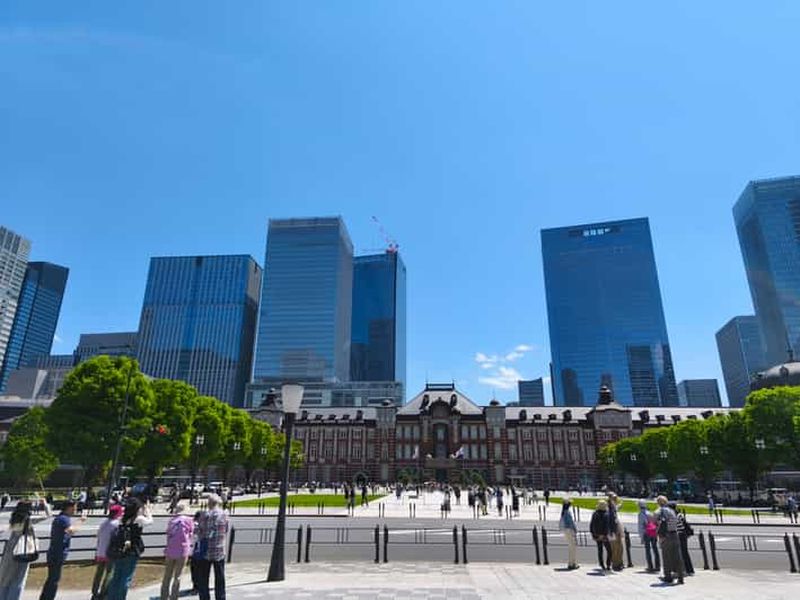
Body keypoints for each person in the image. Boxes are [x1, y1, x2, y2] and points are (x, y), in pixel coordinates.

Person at [0, 499, 51, 600]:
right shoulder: (28, 520)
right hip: (23, 548)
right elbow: (48, 515)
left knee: (5, 577)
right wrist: (44, 504)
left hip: (10, 548)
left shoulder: (13, 518)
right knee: (19, 578)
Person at [106, 498, 154, 600]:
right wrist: (148, 510)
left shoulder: (123, 519)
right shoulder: (138, 519)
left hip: (120, 551)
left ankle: (111, 597)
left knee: (116, 576)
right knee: (125, 578)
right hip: (132, 551)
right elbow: (150, 521)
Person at [40, 500, 85, 600]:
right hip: (57, 553)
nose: (76, 510)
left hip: (54, 552)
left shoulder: (61, 518)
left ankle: (45, 597)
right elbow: (71, 531)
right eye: (75, 507)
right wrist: (81, 520)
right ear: (69, 508)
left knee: (52, 579)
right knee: (54, 579)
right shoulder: (64, 519)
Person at [196, 494, 229, 600]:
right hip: (219, 549)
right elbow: (226, 530)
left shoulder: (203, 515)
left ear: (209, 503)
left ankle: (204, 597)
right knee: (220, 577)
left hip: (205, 550)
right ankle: (220, 597)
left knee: (203, 578)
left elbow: (199, 531)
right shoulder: (224, 515)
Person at [161, 504, 195, 600]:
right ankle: (174, 597)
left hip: (171, 549)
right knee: (178, 576)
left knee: (167, 575)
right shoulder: (188, 520)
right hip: (183, 549)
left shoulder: (171, 521)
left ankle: (164, 596)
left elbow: (168, 535)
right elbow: (191, 534)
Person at [91, 504, 124, 600]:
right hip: (109, 551)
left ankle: (94, 592)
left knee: (99, 572)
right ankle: (103, 593)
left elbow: (98, 536)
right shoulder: (116, 524)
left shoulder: (104, 523)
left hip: (100, 551)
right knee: (109, 572)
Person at [654, 496, 685, 585]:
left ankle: (668, 577)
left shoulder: (661, 510)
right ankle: (680, 577)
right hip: (674, 534)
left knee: (666, 557)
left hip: (666, 535)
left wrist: (657, 525)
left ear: (659, 503)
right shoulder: (672, 511)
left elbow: (654, 517)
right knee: (677, 556)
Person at [671, 502, 694, 575]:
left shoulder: (673, 515)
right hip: (684, 535)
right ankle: (689, 570)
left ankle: (681, 570)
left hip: (679, 535)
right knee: (685, 552)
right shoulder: (680, 514)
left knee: (679, 553)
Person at [637, 500, 660, 573]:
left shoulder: (641, 514)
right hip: (653, 532)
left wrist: (641, 536)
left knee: (648, 550)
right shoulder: (650, 513)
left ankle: (650, 566)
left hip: (646, 533)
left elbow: (641, 525)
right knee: (655, 549)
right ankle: (657, 566)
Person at [589, 500, 612, 571]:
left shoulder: (595, 513)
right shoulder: (607, 514)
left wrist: (593, 533)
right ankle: (608, 564)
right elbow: (607, 526)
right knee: (609, 550)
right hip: (604, 535)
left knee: (600, 550)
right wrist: (605, 534)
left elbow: (591, 524)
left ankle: (601, 564)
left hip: (596, 535)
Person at [559, 500, 579, 570]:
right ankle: (572, 563)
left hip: (566, 530)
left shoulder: (563, 512)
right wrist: (575, 529)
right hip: (569, 530)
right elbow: (571, 522)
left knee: (571, 547)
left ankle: (572, 563)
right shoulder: (567, 512)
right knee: (573, 548)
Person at [607, 493, 625, 571]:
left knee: (620, 547)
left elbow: (616, 509)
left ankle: (619, 562)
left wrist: (620, 504)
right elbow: (610, 520)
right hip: (612, 530)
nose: (615, 500)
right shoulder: (609, 508)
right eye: (614, 498)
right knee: (614, 548)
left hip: (616, 529)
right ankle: (615, 564)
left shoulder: (613, 507)